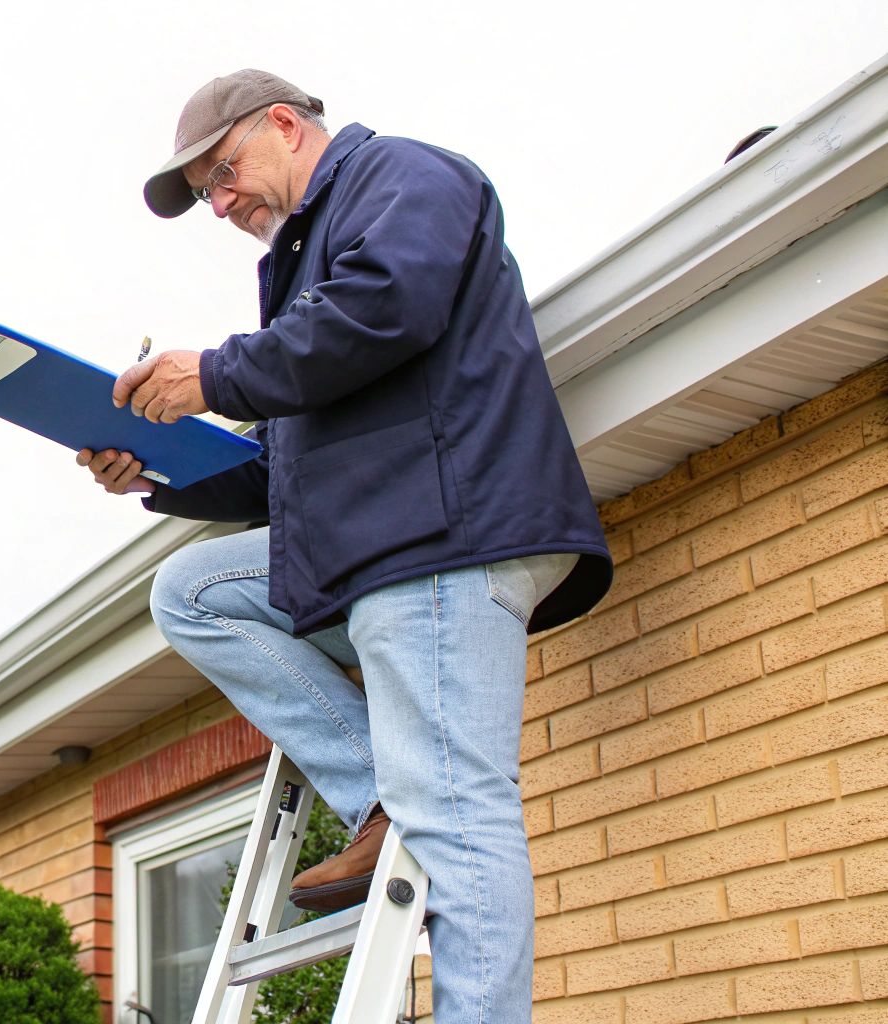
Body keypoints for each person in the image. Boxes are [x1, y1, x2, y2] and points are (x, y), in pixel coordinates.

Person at [77, 71, 612, 1022]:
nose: (221, 201)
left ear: (284, 123)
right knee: (194, 590)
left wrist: (219, 372)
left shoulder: (401, 176)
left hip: (443, 534)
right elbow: (281, 463)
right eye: (206, 193)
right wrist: (154, 466)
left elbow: (389, 307)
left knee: (456, 815)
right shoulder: (301, 264)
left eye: (224, 172)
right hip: (376, 544)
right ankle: (377, 797)